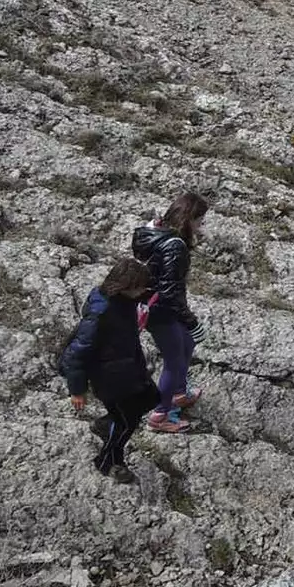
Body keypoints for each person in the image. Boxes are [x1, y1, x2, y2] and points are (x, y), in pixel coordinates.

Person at [59, 258, 161, 483]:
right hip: (108, 378)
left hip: (127, 368)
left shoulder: (123, 300)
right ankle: (109, 462)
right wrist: (77, 390)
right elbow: (76, 353)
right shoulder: (100, 314)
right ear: (126, 287)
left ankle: (105, 424)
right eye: (140, 287)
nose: (143, 290)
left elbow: (145, 293)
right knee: (126, 421)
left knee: (151, 397)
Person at [132, 192, 209, 434]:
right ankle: (161, 414)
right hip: (161, 311)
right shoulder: (175, 247)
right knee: (174, 362)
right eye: (199, 220)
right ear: (189, 219)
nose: (201, 226)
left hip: (154, 305)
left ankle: (178, 392)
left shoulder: (155, 232)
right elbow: (171, 292)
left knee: (186, 343)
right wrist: (191, 320)